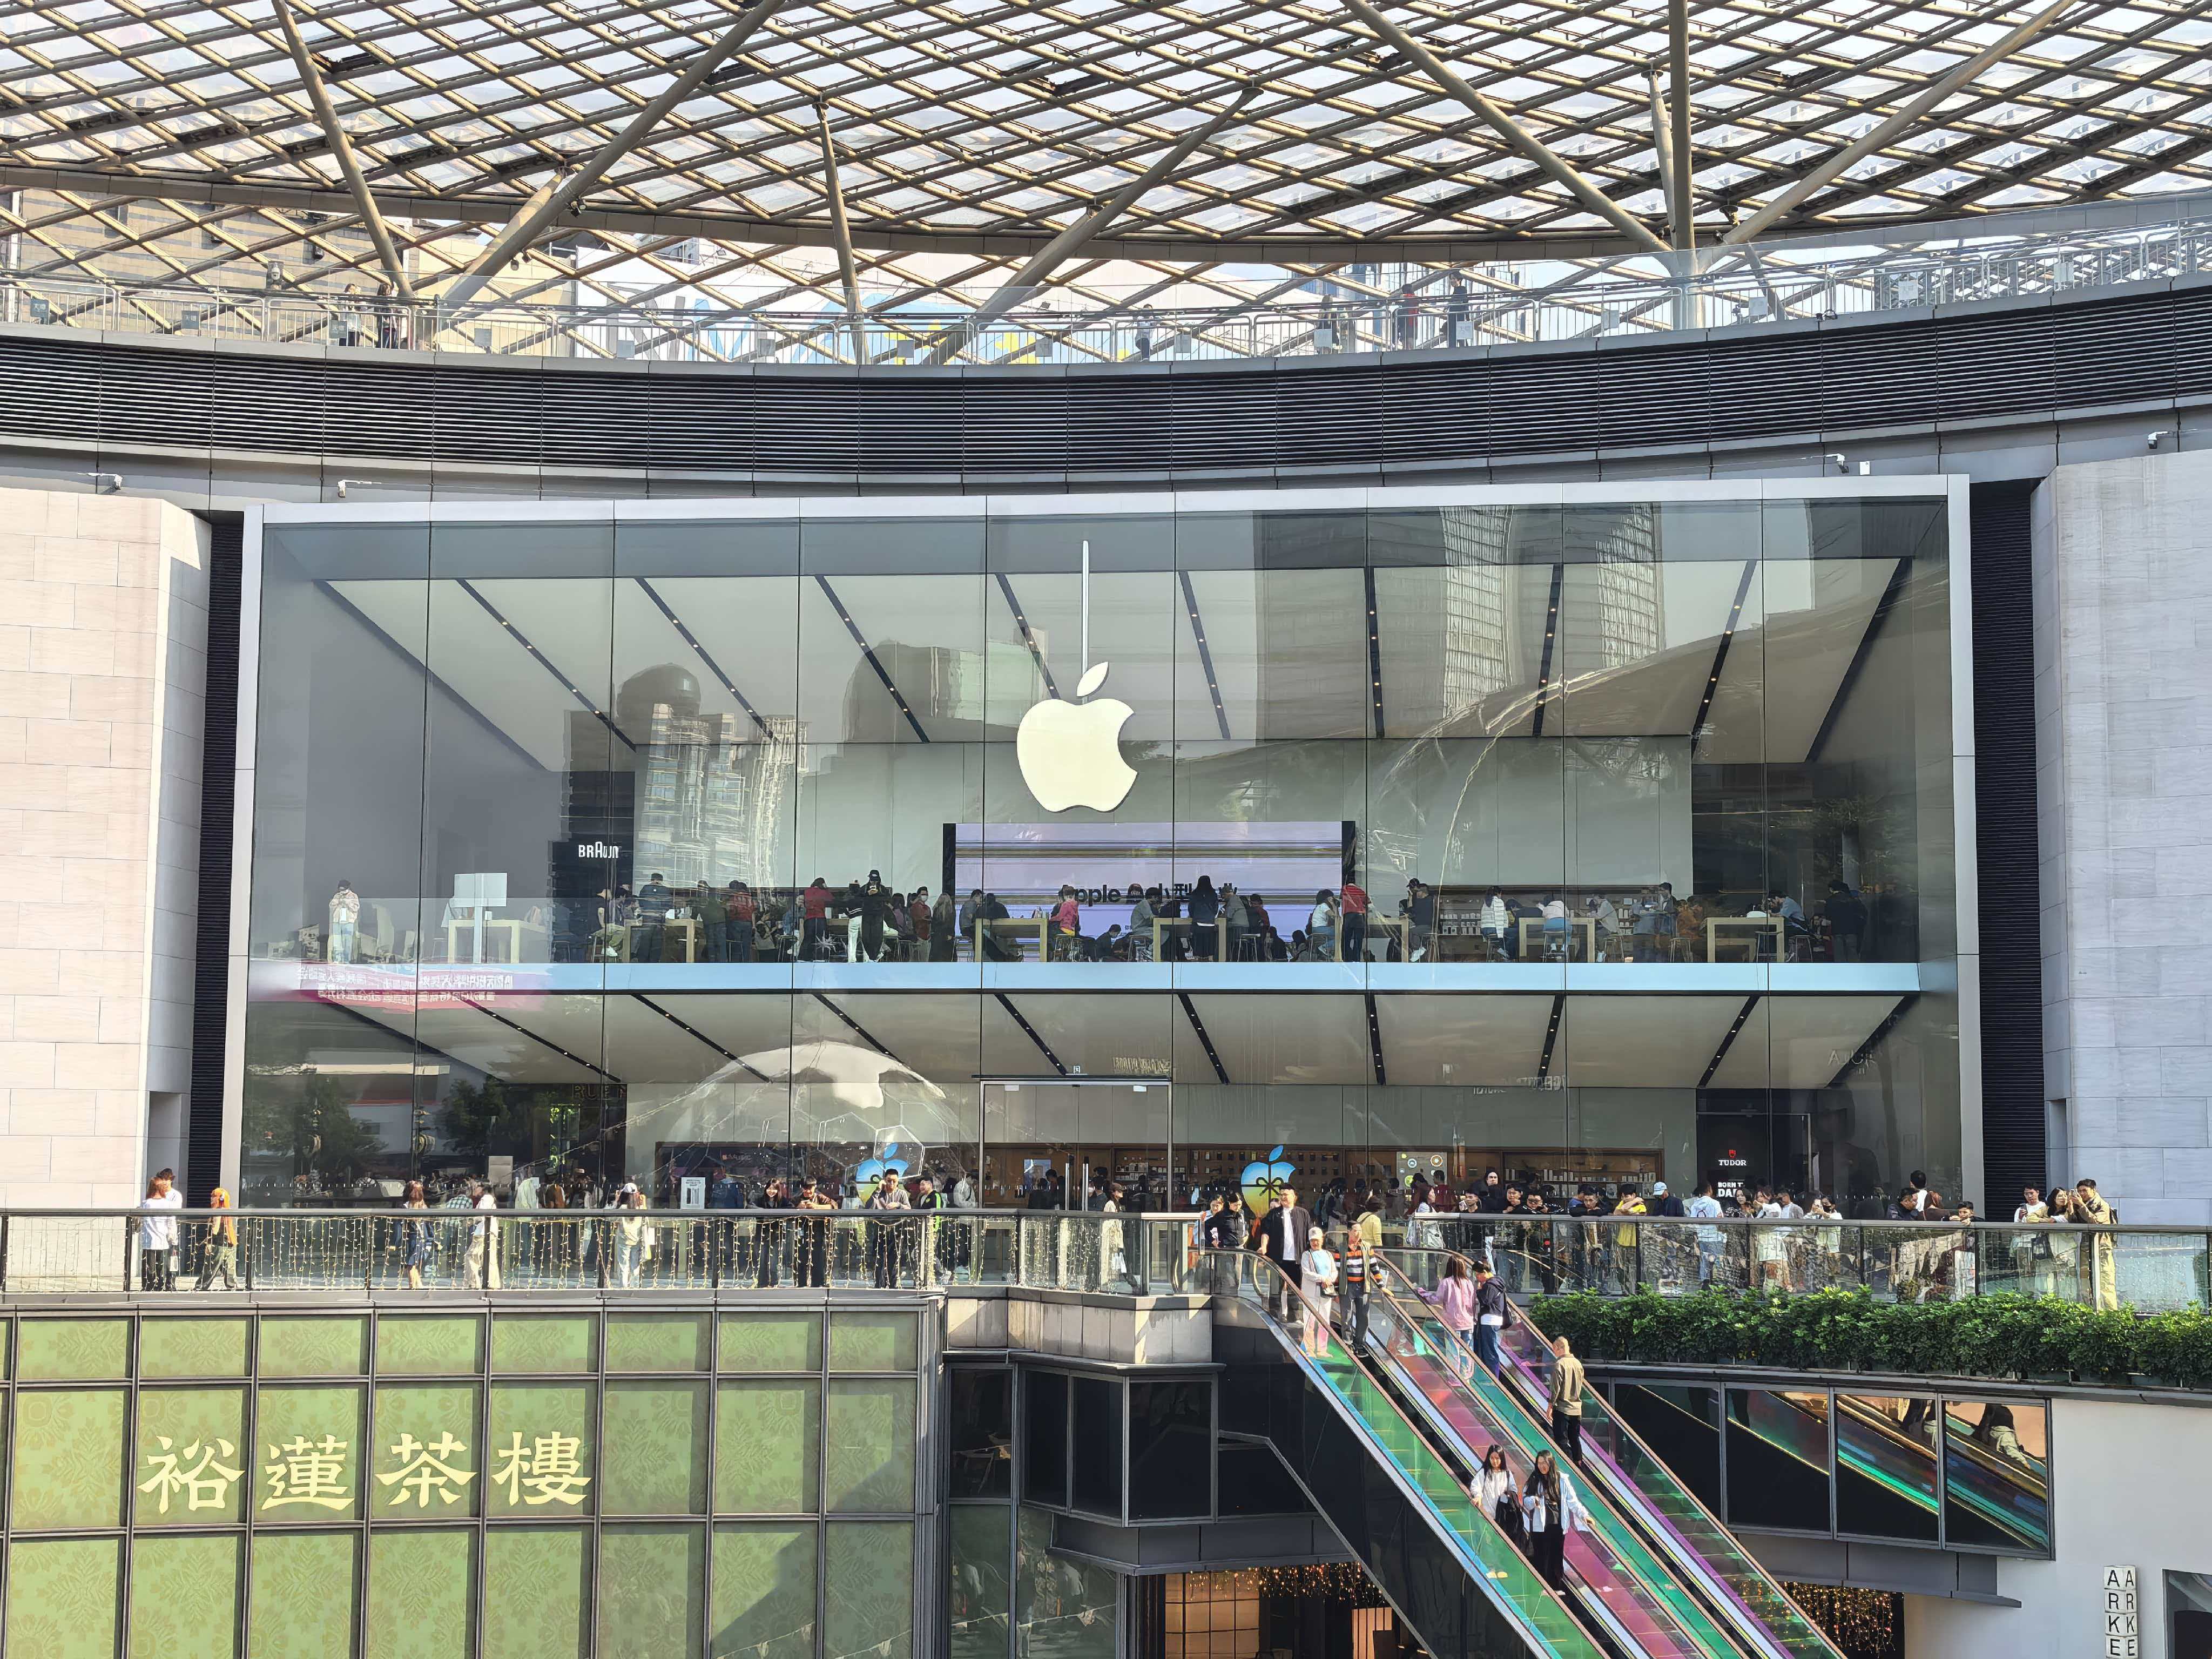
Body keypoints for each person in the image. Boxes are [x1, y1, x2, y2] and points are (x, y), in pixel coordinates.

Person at [1521, 1451, 1582, 1593]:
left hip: (1557, 1524)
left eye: (1545, 1463)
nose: (1542, 1466)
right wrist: (1533, 1501)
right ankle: (1541, 1587)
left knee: (1556, 1556)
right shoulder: (1534, 1479)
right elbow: (1525, 1499)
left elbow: (1572, 1501)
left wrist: (1584, 1515)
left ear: (1551, 1462)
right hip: (1540, 1525)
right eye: (1539, 1463)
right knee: (1541, 1556)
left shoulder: (1562, 1479)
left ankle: (1555, 1588)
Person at [1420, 1255, 1479, 1377]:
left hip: (1452, 1323)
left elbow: (1437, 1299)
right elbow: (1473, 1302)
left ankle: (1454, 1377)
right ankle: (1466, 1376)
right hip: (1468, 1322)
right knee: (1467, 1351)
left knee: (1453, 1352)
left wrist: (1423, 1293)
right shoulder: (1469, 1283)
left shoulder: (1446, 1282)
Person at [2073, 1178, 2119, 1309]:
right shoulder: (2081, 1205)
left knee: (2105, 1281)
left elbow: (2096, 1223)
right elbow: (2072, 1221)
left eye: (2084, 1191)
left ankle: (2111, 1313)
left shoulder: (2102, 1205)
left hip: (2102, 1247)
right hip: (2086, 1247)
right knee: (2085, 1282)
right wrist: (2071, 1206)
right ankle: (2088, 1310)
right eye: (2079, 1191)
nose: (2082, 1194)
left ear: (2093, 1190)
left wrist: (2081, 1206)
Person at [140, 1168, 184, 1291]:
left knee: (171, 1260)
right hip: (158, 1234)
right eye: (162, 1179)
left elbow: (173, 1215)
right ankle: (154, 1284)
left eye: (167, 1179)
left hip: (170, 1233)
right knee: (155, 1262)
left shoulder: (175, 1195)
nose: (164, 1182)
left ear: (171, 1180)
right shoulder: (151, 1199)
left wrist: (171, 1236)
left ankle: (171, 1283)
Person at [1474, 1446, 1525, 1547]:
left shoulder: (1507, 1474)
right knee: (1485, 1544)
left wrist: (1505, 1497)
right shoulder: (1484, 1473)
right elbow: (1476, 1486)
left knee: (1497, 1545)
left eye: (1497, 1458)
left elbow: (1513, 1490)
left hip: (1502, 1517)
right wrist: (1478, 1496)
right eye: (1492, 1458)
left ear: (1502, 1458)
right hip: (1486, 1515)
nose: (1495, 1461)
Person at [1299, 1227, 1338, 1355]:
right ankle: (1309, 1349)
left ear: (1322, 1239)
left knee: (1324, 1321)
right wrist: (1323, 1279)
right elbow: (1307, 1273)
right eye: (1312, 1241)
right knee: (1309, 1320)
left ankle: (1322, 1350)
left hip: (1326, 1292)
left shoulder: (1328, 1254)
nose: (1315, 1243)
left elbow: (1334, 1272)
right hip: (1311, 1293)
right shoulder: (1306, 1255)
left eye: (1317, 1240)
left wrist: (1329, 1280)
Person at [1548, 1334, 1587, 1464]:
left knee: (1561, 1441)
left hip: (1562, 1409)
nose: (1554, 1353)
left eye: (1554, 1349)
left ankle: (1568, 1465)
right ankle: (1578, 1463)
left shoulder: (1560, 1364)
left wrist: (1550, 1406)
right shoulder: (1578, 1364)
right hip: (1577, 1409)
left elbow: (1556, 1388)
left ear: (1559, 1348)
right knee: (1575, 1439)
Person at [1340, 1224, 1378, 1350]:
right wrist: (1336, 1290)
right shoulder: (1341, 1248)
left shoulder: (1366, 1247)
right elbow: (1337, 1269)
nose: (1358, 1233)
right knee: (1347, 1317)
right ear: (1349, 1232)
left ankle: (1360, 1344)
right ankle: (1348, 1343)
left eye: (1360, 1231)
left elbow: (1374, 1267)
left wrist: (1381, 1285)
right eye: (1356, 1231)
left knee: (1364, 1317)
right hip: (1347, 1287)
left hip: (1363, 1286)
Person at [194, 1185, 240, 1291]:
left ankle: (201, 1286)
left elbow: (215, 1228)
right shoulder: (227, 1210)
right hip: (229, 1241)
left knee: (212, 1266)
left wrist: (209, 1242)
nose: (212, 1199)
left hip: (219, 1242)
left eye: (214, 1197)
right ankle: (232, 1286)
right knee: (229, 1267)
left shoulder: (218, 1211)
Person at [463, 1181, 502, 1289]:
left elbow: (482, 1215)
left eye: (476, 1187)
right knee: (489, 1258)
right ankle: (492, 1283)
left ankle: (473, 1283)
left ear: (482, 1188)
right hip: (490, 1232)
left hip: (483, 1232)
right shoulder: (489, 1198)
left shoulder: (486, 1198)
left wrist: (473, 1219)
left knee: (471, 1256)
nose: (474, 1189)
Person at [399, 1179, 435, 1290]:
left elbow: (400, 1226)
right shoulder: (424, 1207)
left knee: (411, 1265)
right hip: (422, 1239)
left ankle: (413, 1287)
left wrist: (396, 1242)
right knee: (415, 1264)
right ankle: (419, 1286)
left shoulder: (405, 1207)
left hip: (411, 1239)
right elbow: (429, 1226)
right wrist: (431, 1239)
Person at [615, 1189, 655, 1287]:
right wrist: (643, 1202)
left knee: (624, 1266)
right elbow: (646, 1220)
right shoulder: (641, 1208)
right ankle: (635, 1287)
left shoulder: (622, 1208)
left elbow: (611, 1218)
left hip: (624, 1241)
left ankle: (624, 1288)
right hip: (637, 1240)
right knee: (635, 1267)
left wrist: (616, 1201)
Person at [328, 880, 361, 963]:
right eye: (340, 890)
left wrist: (348, 902)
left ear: (348, 888)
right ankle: (337, 959)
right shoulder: (337, 895)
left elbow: (356, 908)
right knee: (337, 941)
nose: (342, 891)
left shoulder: (354, 896)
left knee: (347, 942)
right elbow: (331, 906)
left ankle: (346, 960)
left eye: (343, 890)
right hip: (337, 921)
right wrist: (338, 901)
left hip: (348, 922)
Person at [1188, 876, 1220, 960]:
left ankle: (1198, 958)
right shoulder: (1213, 894)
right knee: (1209, 942)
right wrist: (1212, 916)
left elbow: (1191, 908)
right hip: (1210, 923)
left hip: (1198, 922)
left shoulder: (1195, 894)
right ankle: (1209, 958)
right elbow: (1216, 908)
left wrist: (1194, 916)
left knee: (1198, 942)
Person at [1341, 875, 1370, 961]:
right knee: (1358, 941)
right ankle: (1356, 960)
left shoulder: (1344, 890)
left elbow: (1340, 902)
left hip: (1348, 917)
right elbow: (1369, 903)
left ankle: (1347, 959)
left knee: (1346, 940)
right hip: (1359, 917)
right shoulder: (1360, 891)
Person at [1478, 887, 1510, 960]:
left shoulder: (1485, 903)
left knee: (1497, 940)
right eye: (1501, 894)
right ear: (1498, 894)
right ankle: (1508, 955)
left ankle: (1500, 951)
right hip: (1494, 930)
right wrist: (1506, 929)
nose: (1501, 896)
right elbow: (1504, 918)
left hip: (1485, 931)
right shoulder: (1499, 902)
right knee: (1514, 933)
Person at [1407, 878, 1435, 961]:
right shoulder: (1421, 901)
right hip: (1422, 926)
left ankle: (1418, 950)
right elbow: (1411, 911)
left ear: (1422, 892)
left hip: (1428, 927)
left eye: (1417, 891)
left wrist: (1411, 899)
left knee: (1412, 932)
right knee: (1413, 931)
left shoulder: (1430, 900)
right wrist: (1411, 898)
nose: (1416, 893)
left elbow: (1411, 912)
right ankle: (1420, 949)